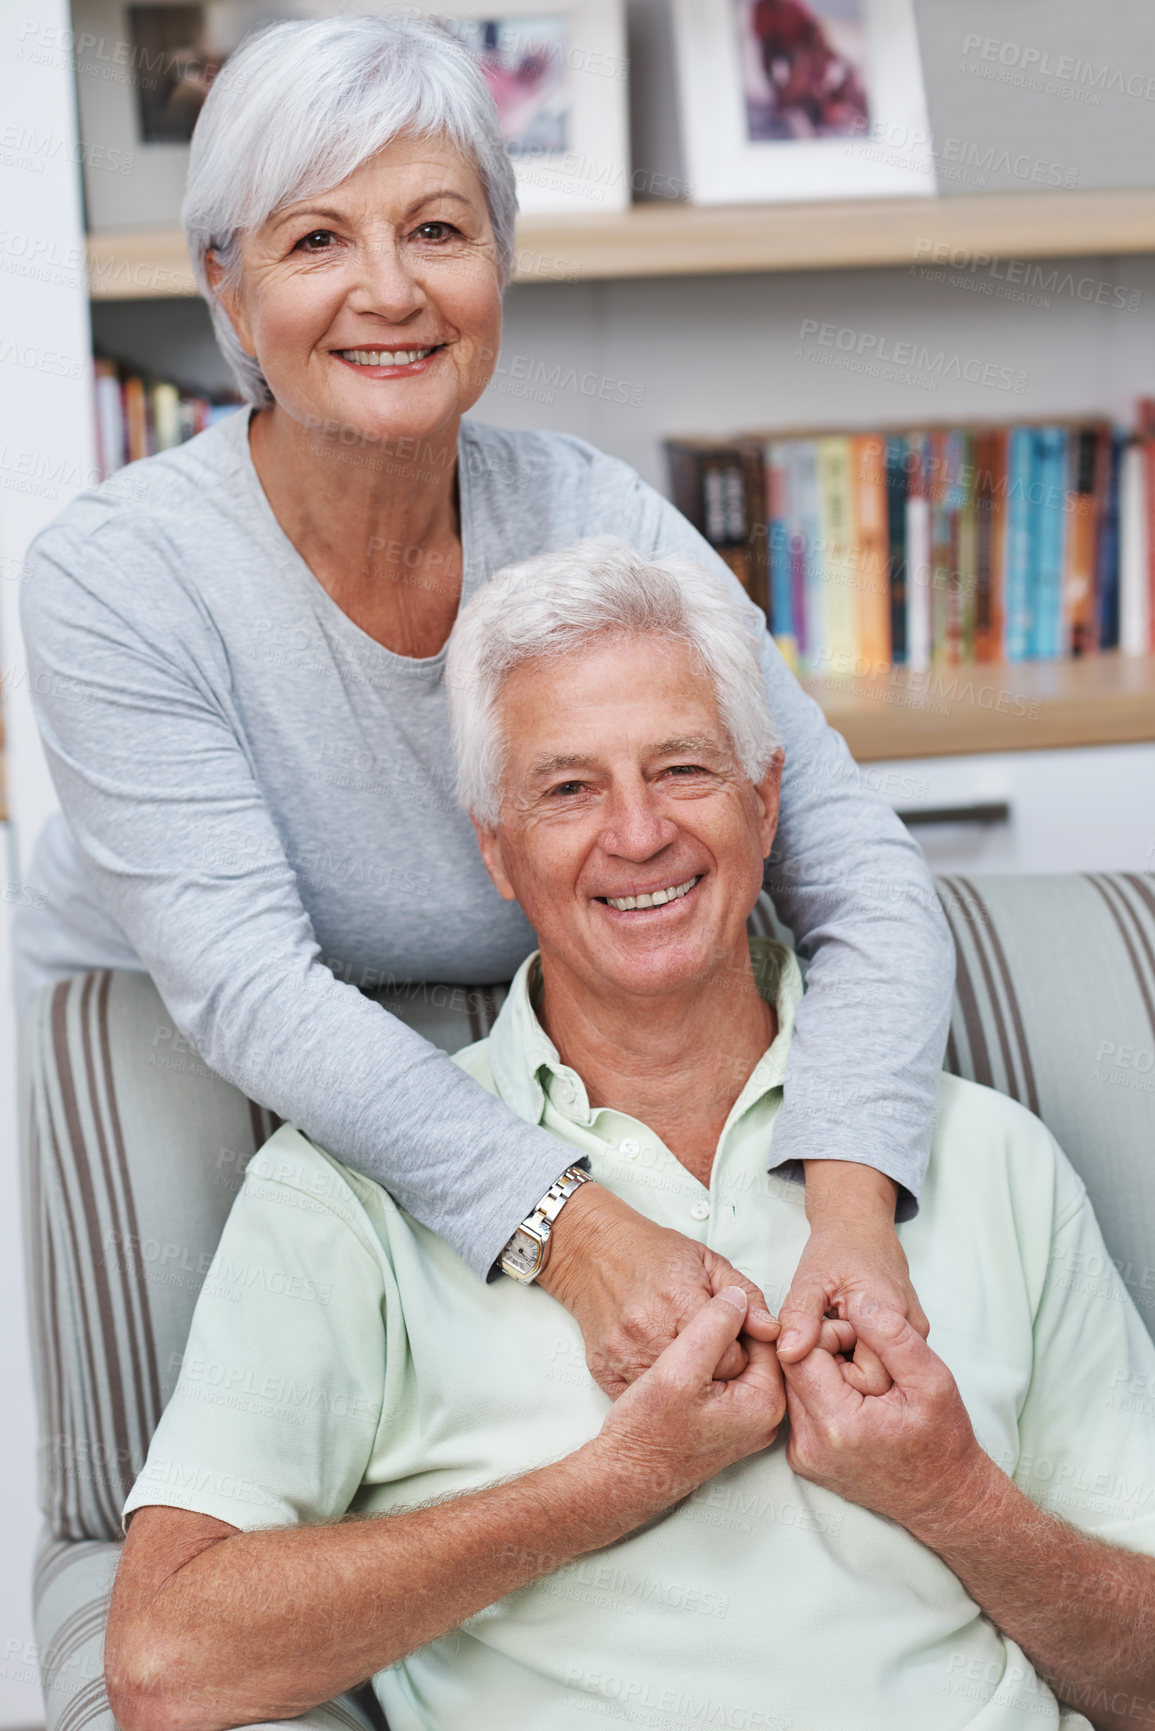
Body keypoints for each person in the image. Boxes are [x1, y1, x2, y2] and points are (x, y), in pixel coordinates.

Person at [15, 14, 954, 1390]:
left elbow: (856, 867)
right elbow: (253, 993)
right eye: (316, 239)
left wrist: (853, 1205)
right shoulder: (113, 578)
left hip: (528, 1050)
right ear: (226, 285)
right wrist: (569, 1228)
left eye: (439, 231)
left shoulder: (595, 514)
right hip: (186, 1068)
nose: (388, 292)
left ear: (499, 258)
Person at [106, 541, 1155, 1731]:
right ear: (496, 848)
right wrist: (613, 1485)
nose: (640, 833)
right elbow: (166, 1660)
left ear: (766, 804)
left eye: (683, 769)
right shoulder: (344, 1193)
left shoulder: (993, 1156)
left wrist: (957, 1496)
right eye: (568, 789)